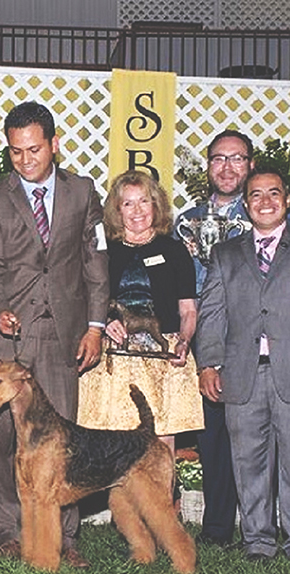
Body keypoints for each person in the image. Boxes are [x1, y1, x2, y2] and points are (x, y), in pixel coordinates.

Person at [0, 101, 108, 567]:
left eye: (33, 150)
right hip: (2, 337)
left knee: (58, 440)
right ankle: (8, 532)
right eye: (15, 152)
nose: (25, 160)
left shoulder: (83, 192)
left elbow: (95, 263)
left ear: (54, 144)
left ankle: (65, 540)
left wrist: (95, 325)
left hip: (60, 336)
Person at [196, 169, 290, 565]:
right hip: (241, 376)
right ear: (246, 204)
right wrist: (210, 363)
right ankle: (258, 541)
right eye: (256, 195)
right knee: (248, 463)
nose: (265, 201)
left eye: (273, 193)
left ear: (287, 199)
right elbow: (211, 314)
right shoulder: (225, 255)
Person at [77, 170, 202, 456]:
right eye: (127, 204)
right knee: (108, 445)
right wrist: (103, 322)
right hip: (112, 356)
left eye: (143, 201)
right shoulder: (102, 251)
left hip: (164, 357)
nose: (137, 211)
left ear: (155, 205)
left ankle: (160, 502)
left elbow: (188, 310)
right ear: (116, 211)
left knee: (161, 447)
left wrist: (184, 340)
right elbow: (83, 298)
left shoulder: (175, 251)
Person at [174, 129, 257, 549]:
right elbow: (175, 282)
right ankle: (217, 527)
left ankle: (260, 526)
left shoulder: (267, 211)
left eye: (236, 159)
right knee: (211, 436)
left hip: (252, 343)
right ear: (207, 167)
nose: (227, 167)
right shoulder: (185, 221)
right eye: (218, 159)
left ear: (250, 165)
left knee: (252, 435)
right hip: (203, 342)